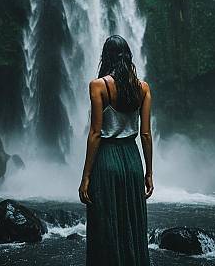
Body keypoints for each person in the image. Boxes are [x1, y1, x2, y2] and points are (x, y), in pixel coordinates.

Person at [79, 34, 153, 266]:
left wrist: (86, 177)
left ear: (105, 57)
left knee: (105, 224)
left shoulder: (98, 86)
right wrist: (149, 173)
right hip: (132, 160)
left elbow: (95, 133)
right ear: (128, 57)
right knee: (132, 222)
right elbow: (146, 134)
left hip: (107, 160)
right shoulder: (142, 88)